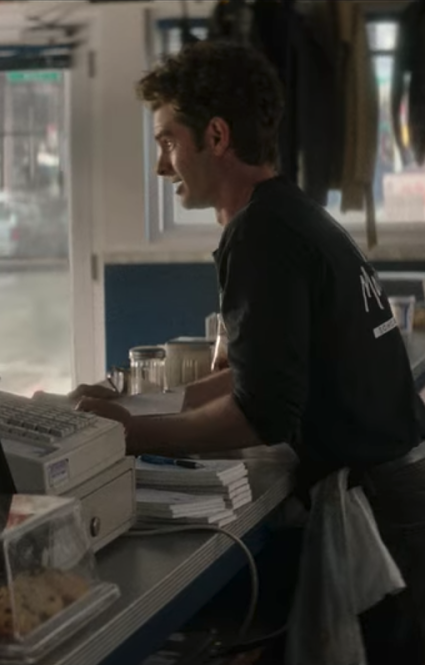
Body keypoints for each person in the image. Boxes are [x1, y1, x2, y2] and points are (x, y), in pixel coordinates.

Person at [75, 41, 425, 663]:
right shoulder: (293, 214)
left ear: (215, 135)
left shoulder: (262, 233)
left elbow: (261, 413)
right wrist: (143, 401)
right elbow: (256, 370)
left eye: (166, 141)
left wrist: (129, 435)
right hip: (400, 493)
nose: (162, 166)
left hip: (390, 510)